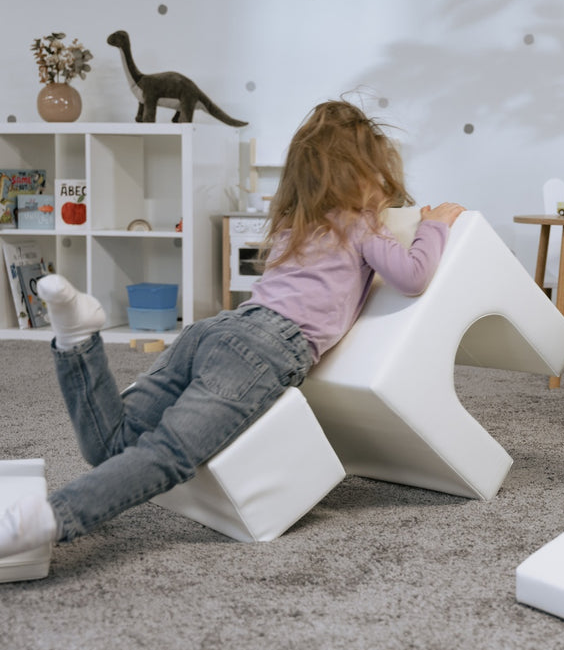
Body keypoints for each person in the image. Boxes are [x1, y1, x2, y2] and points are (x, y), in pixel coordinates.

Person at [0, 99, 465, 569]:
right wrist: (434, 226)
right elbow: (413, 275)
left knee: (109, 444)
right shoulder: (360, 225)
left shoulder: (295, 223)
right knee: (169, 455)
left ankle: (78, 342)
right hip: (264, 349)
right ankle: (46, 519)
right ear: (362, 177)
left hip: (215, 330)